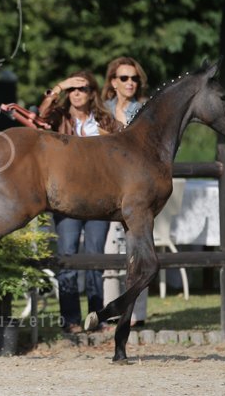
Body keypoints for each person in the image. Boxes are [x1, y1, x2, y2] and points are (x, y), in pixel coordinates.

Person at [38, 70, 121, 334]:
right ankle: (70, 319)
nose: (76, 93)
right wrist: (59, 85)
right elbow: (41, 115)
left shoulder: (104, 119)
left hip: (100, 196)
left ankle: (98, 317)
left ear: (91, 93)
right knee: (68, 256)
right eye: (72, 89)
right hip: (67, 197)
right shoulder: (59, 118)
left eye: (82, 88)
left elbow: (125, 145)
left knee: (96, 257)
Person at [100, 56, 149, 326]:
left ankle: (137, 313)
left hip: (136, 188)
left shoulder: (145, 110)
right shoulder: (102, 110)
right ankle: (112, 310)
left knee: (140, 251)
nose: (130, 83)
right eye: (124, 78)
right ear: (113, 82)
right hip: (107, 187)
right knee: (110, 251)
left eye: (134, 78)